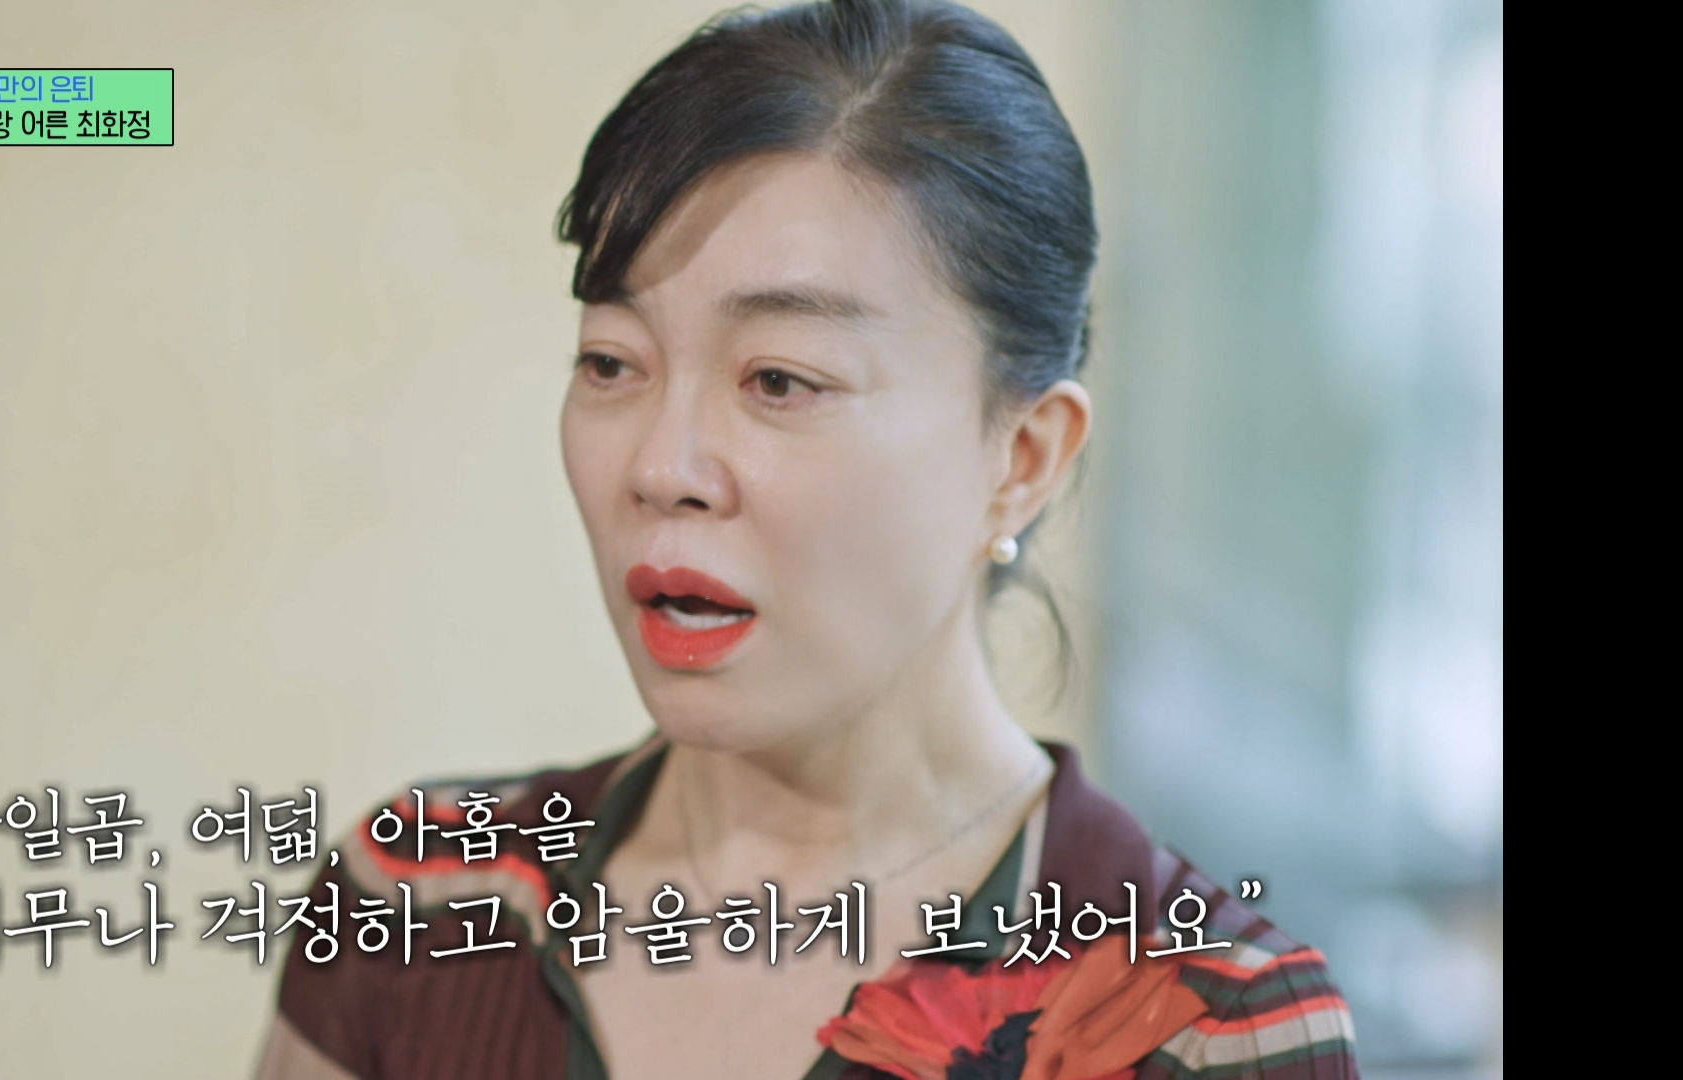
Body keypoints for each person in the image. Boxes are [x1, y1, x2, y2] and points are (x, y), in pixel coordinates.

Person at [255, 1, 1359, 1077]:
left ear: (1022, 458)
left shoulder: (1204, 1026)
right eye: (611, 362)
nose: (661, 467)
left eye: (780, 379)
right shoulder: (419, 894)